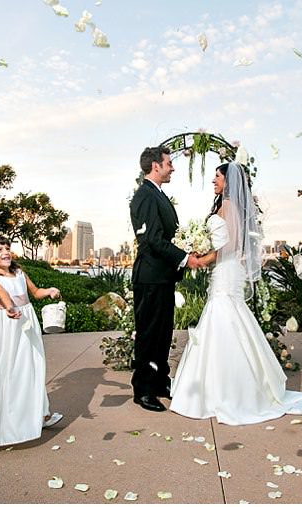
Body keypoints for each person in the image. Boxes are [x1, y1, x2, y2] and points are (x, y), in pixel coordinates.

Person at [170, 162, 302, 424]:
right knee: (225, 318)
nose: (214, 181)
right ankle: (222, 385)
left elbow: (230, 243)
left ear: (229, 181)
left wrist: (203, 258)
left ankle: (230, 390)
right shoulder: (226, 206)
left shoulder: (229, 206)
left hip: (226, 269)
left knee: (224, 318)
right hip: (225, 269)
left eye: (217, 177)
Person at [0, 236, 64, 447]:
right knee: (4, 373)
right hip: (3, 329)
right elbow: (3, 296)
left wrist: (49, 291)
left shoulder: (19, 273)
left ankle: (40, 415)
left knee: (32, 369)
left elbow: (35, 293)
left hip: (26, 327)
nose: (5, 252)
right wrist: (10, 308)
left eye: (7, 248)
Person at [129, 146, 200, 412]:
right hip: (150, 277)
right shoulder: (145, 196)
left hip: (162, 277)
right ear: (155, 166)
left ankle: (159, 380)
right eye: (169, 163)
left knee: (162, 333)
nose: (172, 167)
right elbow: (152, 240)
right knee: (149, 334)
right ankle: (143, 389)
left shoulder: (157, 194)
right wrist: (185, 258)